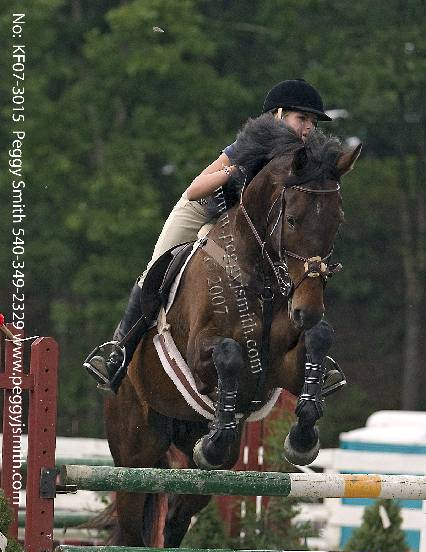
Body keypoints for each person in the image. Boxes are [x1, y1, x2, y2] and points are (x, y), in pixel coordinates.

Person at [84, 79, 344, 395]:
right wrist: (236, 170)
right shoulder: (253, 143)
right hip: (204, 207)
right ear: (278, 114)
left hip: (246, 227)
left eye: (313, 122)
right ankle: (118, 351)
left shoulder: (308, 159)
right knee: (156, 268)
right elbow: (195, 189)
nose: (308, 128)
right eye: (302, 118)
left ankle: (314, 358)